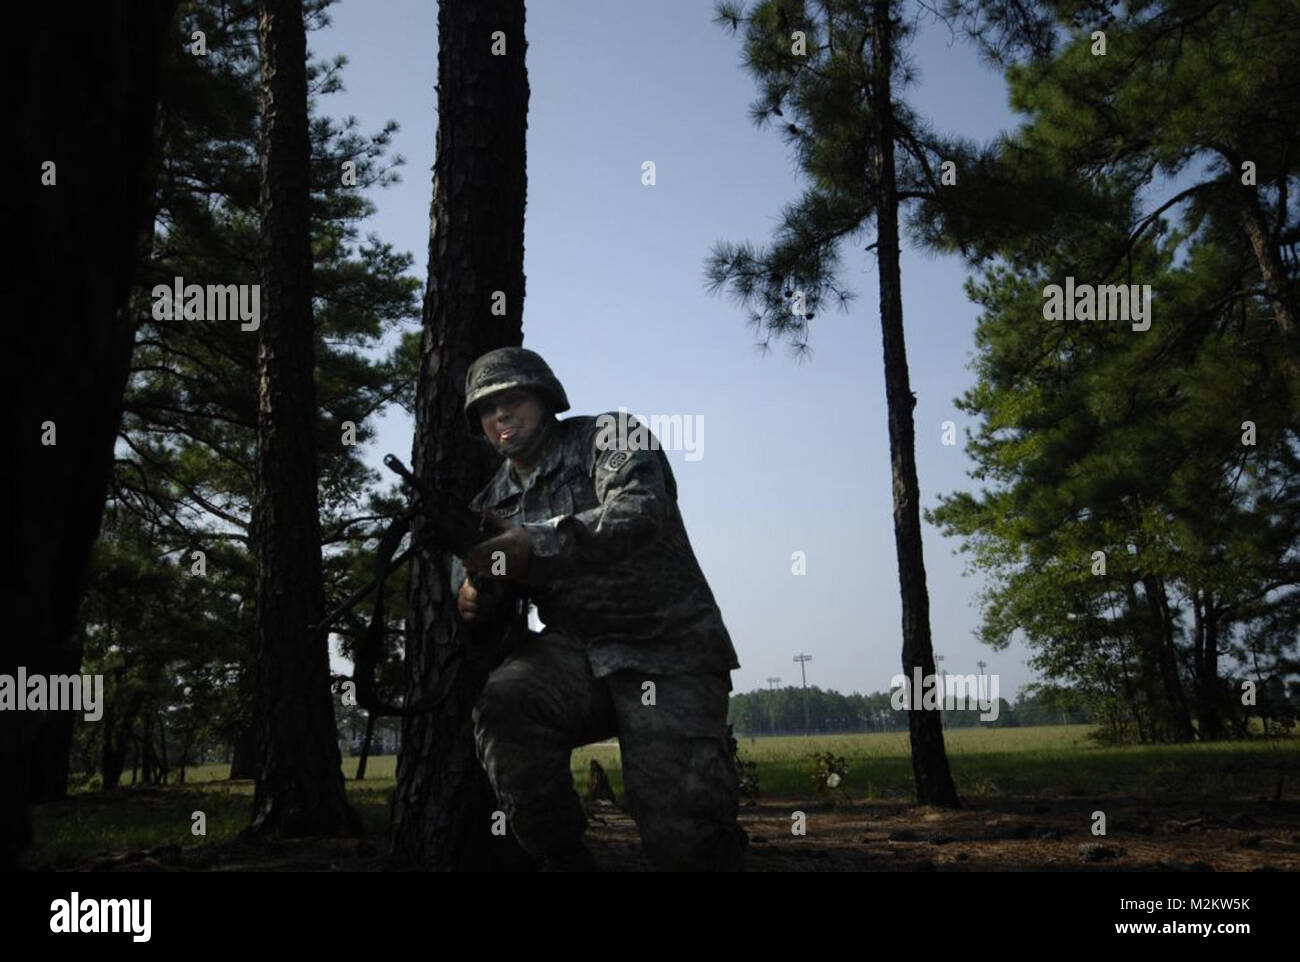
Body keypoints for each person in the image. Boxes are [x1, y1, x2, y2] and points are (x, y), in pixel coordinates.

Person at [453, 346, 746, 871]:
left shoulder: (611, 433)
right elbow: (476, 602)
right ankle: (564, 859)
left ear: (545, 399)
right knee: (506, 702)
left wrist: (532, 544)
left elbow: (639, 511)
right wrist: (475, 596)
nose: (499, 414)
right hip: (576, 655)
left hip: (668, 649)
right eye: (486, 407)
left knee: (684, 837)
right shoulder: (489, 506)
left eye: (513, 398)